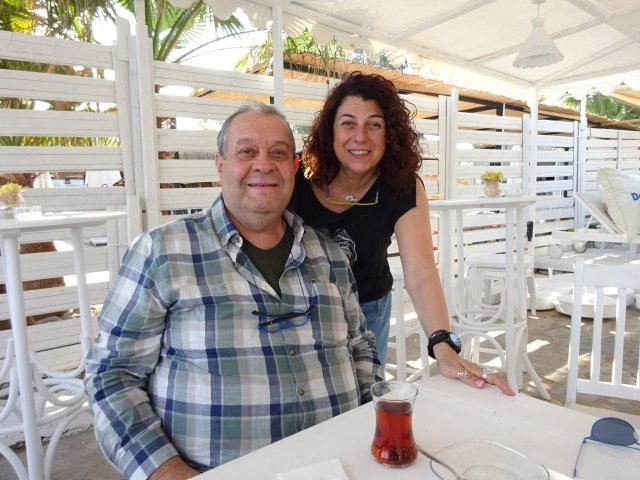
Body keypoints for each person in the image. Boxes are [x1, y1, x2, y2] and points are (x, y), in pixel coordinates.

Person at [84, 102, 383, 480]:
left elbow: (360, 348)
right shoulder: (162, 252)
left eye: (278, 153)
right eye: (246, 151)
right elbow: (112, 374)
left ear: (294, 167)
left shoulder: (330, 255)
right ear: (220, 164)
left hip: (342, 467)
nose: (264, 164)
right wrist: (165, 471)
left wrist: (375, 428)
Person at [289, 71, 514, 395]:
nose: (360, 136)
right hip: (300, 306)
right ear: (330, 130)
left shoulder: (401, 186)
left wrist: (442, 344)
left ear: (390, 134)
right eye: (348, 123)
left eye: (374, 125)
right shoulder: (296, 175)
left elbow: (421, 273)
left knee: (363, 397)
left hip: (366, 308)